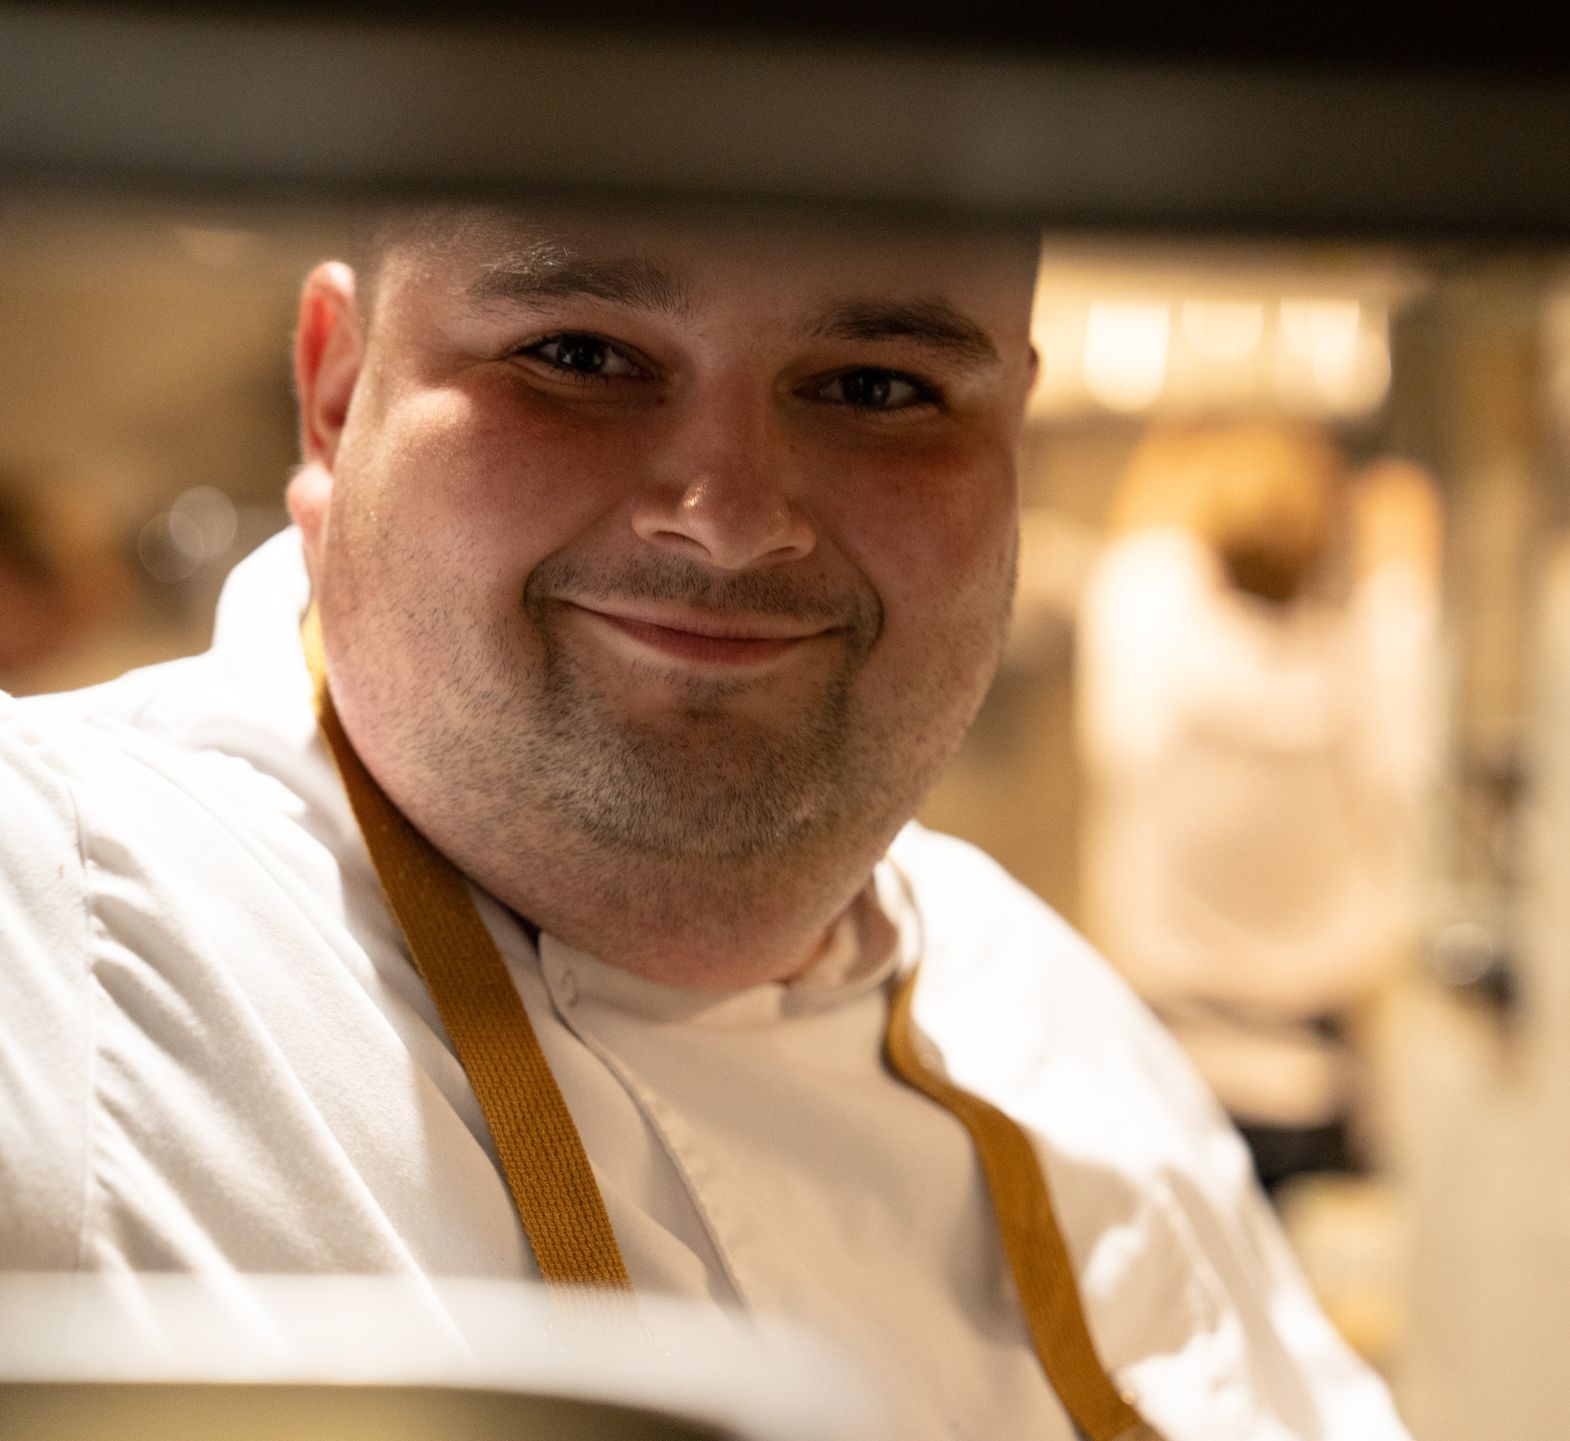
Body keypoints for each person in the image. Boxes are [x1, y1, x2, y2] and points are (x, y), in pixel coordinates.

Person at [0, 205, 1409, 1441]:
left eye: (879, 384)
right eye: (579, 356)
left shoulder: (1044, 1003)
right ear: (338, 389)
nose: (732, 518)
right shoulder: (60, 931)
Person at [1077, 425, 1437, 1191]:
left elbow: (1140, 554)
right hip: (1318, 1095)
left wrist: (1212, 470)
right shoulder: (1364, 693)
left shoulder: (1156, 692)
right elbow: (1408, 544)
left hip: (1162, 1073)